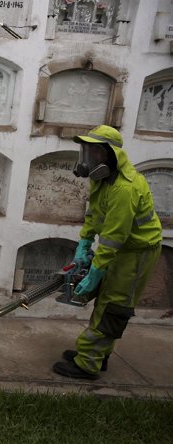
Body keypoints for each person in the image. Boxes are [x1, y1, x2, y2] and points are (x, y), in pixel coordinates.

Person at [52, 125, 162, 380]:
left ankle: (87, 364)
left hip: (136, 253)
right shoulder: (102, 178)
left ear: (107, 154)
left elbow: (113, 238)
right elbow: (94, 216)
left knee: (114, 305)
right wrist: (83, 245)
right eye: (85, 149)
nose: (86, 156)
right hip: (123, 250)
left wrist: (96, 272)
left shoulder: (124, 188)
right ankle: (97, 354)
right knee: (106, 300)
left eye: (92, 150)